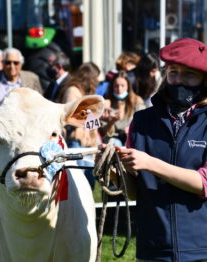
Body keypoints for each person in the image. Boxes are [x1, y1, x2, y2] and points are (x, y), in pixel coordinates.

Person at [115, 38, 207, 262]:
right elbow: (135, 191)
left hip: (200, 250)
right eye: (173, 72)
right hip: (152, 248)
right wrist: (113, 171)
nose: (179, 80)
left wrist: (149, 163)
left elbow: (203, 184)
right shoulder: (142, 120)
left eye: (189, 74)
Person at [58, 61, 101, 190]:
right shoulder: (73, 91)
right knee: (80, 185)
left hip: (87, 144)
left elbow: (92, 123)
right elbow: (74, 119)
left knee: (89, 184)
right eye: (96, 78)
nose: (97, 82)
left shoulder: (84, 93)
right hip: (76, 142)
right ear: (89, 78)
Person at [99, 70, 145, 146]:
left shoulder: (137, 103)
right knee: (114, 143)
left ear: (128, 87)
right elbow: (104, 133)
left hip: (132, 139)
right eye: (116, 86)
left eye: (123, 86)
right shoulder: (107, 104)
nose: (119, 90)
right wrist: (111, 122)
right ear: (112, 87)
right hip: (114, 140)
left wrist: (132, 129)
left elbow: (144, 123)